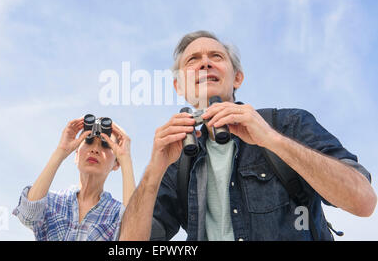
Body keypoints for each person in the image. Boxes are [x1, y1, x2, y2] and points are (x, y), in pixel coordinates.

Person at [119, 30, 376, 241]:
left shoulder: (289, 124)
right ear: (178, 86)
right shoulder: (177, 162)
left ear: (237, 78)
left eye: (216, 56)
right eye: (192, 60)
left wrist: (272, 139)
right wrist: (154, 169)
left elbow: (363, 202)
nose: (205, 62)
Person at [13, 117, 135, 241]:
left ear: (116, 164)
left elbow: (134, 236)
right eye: (88, 141)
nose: (95, 149)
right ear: (76, 154)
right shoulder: (52, 202)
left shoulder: (116, 214)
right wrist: (61, 152)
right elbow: (28, 214)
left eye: (105, 144)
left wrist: (125, 158)